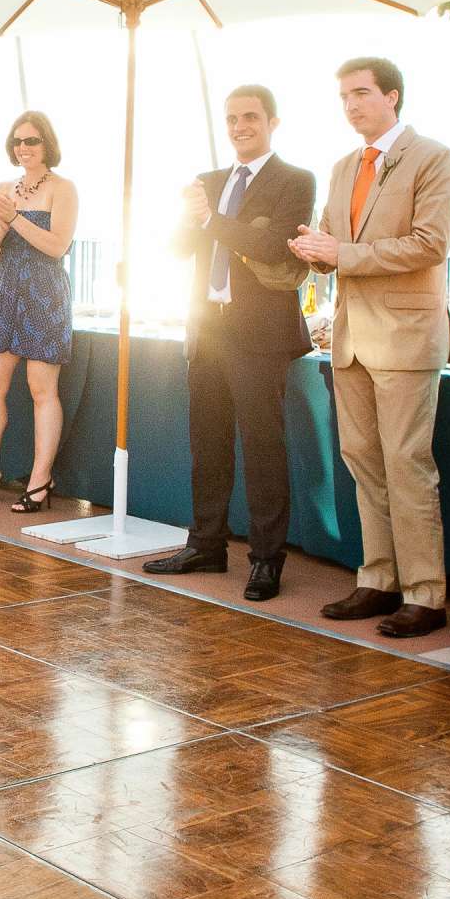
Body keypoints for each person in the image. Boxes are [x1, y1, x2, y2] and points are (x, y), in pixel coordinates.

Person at [290, 57, 450, 638]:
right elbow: (336, 241)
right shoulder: (342, 167)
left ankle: (426, 594)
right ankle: (379, 578)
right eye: (343, 97)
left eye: (361, 93)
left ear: (393, 96)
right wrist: (314, 249)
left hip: (406, 337)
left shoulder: (433, 157)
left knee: (408, 465)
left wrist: (342, 255)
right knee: (363, 462)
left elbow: (430, 244)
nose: (351, 105)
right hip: (350, 338)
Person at [145, 86, 317, 601]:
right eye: (232, 119)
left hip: (261, 333)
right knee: (208, 442)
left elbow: (273, 244)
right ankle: (206, 544)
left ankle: (266, 559)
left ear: (272, 121)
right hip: (208, 327)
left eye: (250, 117)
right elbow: (177, 249)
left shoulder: (295, 180)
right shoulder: (210, 182)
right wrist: (186, 216)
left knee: (263, 447)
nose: (240, 126)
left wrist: (211, 219)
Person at [0, 111, 78, 513]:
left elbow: (57, 246)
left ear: (46, 144)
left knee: (41, 389)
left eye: (32, 140)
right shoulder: (2, 188)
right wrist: (2, 222)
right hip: (5, 291)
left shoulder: (63, 188)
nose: (24, 148)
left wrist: (14, 218)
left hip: (45, 293)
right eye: (18, 141)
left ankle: (39, 479)